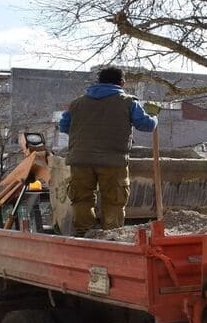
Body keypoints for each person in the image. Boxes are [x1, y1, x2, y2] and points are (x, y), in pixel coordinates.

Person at [58, 66, 160, 237]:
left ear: (98, 81)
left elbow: (64, 126)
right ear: (122, 83)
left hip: (80, 161)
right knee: (114, 201)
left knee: (81, 199)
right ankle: (111, 237)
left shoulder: (77, 103)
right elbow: (146, 125)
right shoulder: (128, 102)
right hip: (113, 161)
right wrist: (155, 117)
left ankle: (84, 235)